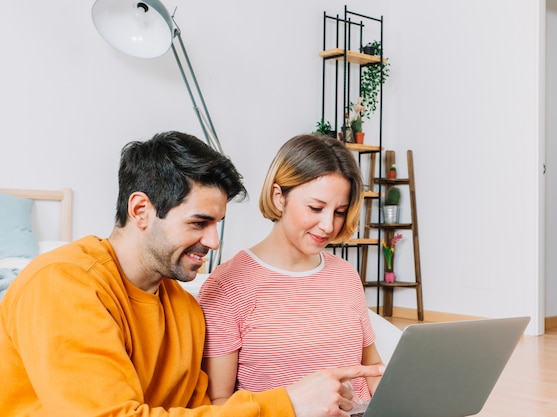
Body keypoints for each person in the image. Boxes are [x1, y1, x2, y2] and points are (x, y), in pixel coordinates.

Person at [0, 131, 382, 417]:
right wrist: (288, 404)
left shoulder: (183, 309)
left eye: (218, 223)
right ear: (141, 210)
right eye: (199, 222)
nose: (214, 242)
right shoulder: (62, 283)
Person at [198, 134, 384, 405]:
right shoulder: (227, 286)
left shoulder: (345, 275)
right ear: (279, 197)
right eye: (316, 208)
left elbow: (373, 367)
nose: (328, 226)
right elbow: (219, 403)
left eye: (340, 212)